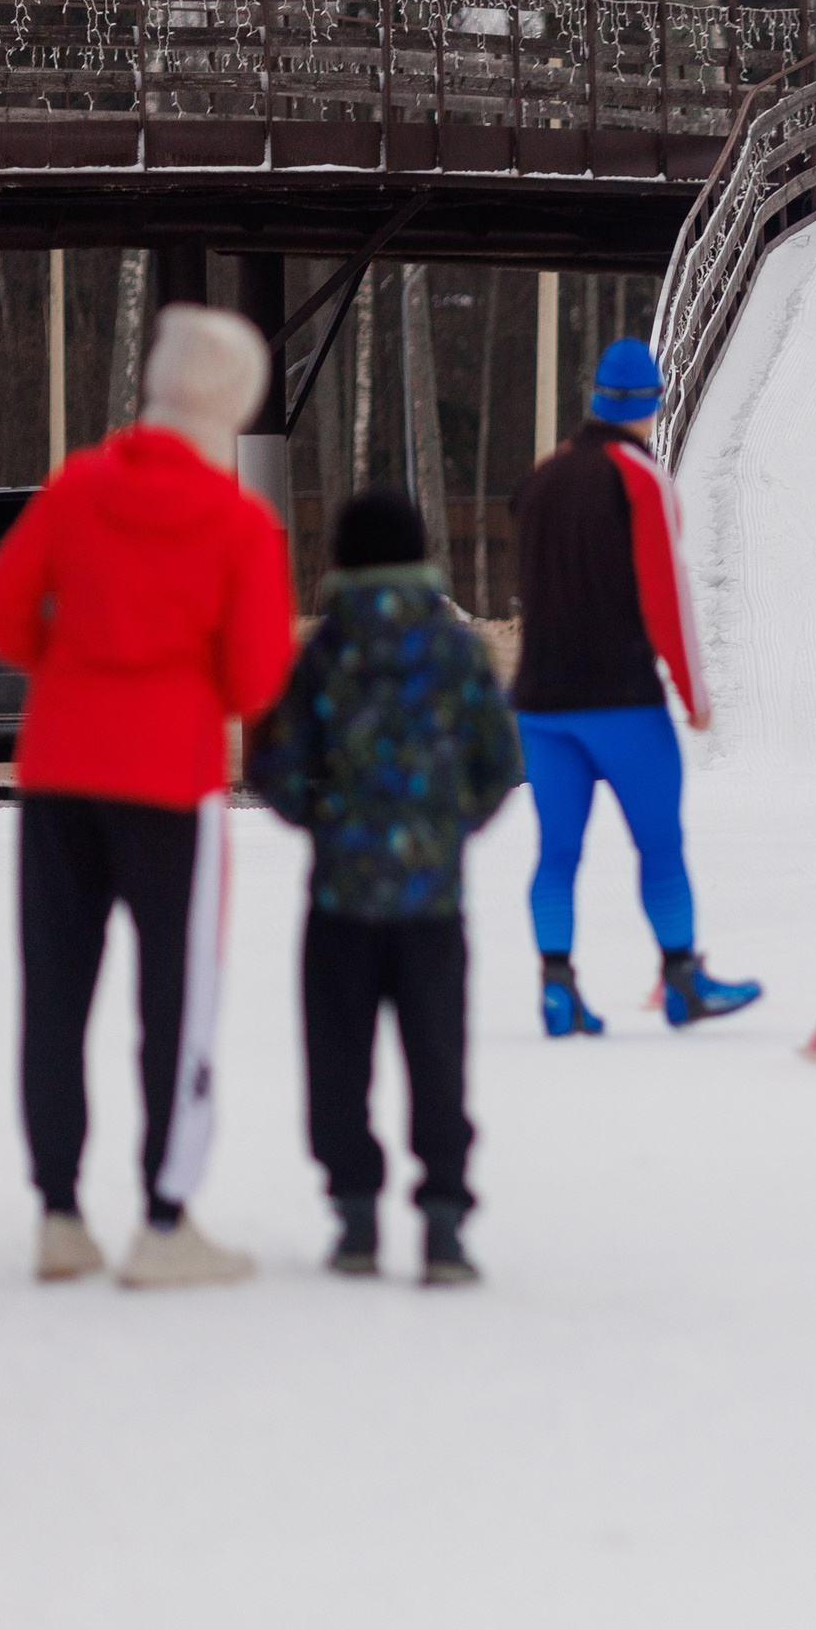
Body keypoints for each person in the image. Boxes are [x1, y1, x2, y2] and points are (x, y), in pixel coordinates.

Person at [0, 305, 295, 1289]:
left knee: (56, 993)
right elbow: (252, 681)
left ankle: (60, 1214)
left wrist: (72, 672)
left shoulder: (76, 489)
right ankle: (164, 1216)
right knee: (177, 1000)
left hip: (60, 772)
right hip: (171, 780)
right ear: (235, 401)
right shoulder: (239, 522)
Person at [247, 490, 522, 1286]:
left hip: (340, 898)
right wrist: (447, 828)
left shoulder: (325, 653)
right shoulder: (459, 651)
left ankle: (356, 1215)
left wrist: (327, 820)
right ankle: (442, 1222)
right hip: (433, 901)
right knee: (436, 1056)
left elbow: (274, 763)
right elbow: (499, 764)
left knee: (339, 1057)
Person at [511, 335, 761, 1034]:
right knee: (658, 846)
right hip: (619, 698)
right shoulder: (641, 479)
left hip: (540, 703)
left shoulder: (542, 478)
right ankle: (683, 980)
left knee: (556, 852)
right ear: (650, 407)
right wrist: (694, 696)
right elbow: (666, 599)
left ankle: (556, 989)